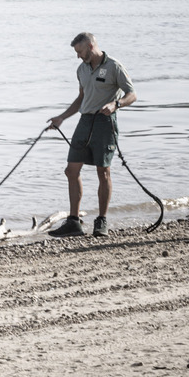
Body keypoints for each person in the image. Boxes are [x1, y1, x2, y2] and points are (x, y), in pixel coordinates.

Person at [46, 32, 137, 238]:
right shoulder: (81, 69)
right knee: (71, 171)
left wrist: (116, 104)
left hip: (105, 123)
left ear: (90, 45)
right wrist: (61, 117)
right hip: (84, 122)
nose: (78, 56)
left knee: (103, 172)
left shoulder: (114, 66)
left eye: (79, 51)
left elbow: (132, 94)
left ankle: (101, 221)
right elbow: (81, 98)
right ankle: (73, 222)